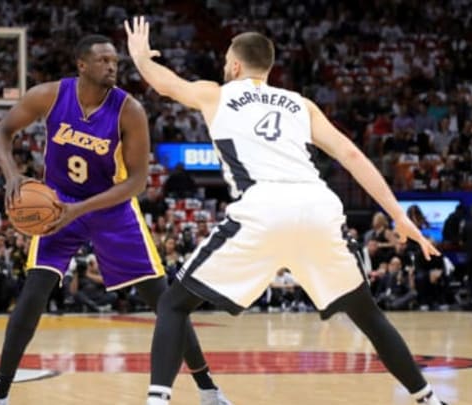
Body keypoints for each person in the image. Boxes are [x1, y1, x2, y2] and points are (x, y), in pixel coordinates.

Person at [125, 17, 446, 405]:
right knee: (368, 314)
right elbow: (350, 153)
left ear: (236, 66)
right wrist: (397, 214)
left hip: (263, 207)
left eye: (227, 61)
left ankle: (159, 400)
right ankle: (429, 399)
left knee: (173, 304)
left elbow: (164, 83)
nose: (225, 67)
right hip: (318, 206)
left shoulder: (216, 94)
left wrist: (141, 58)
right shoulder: (300, 104)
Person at [0, 34, 229, 405]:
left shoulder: (128, 110)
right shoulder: (49, 95)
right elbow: (2, 132)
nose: (112, 66)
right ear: (82, 65)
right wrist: (12, 175)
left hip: (112, 208)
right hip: (58, 203)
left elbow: (136, 182)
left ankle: (208, 389)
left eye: (115, 61)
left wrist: (80, 210)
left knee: (165, 302)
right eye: (103, 61)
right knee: (33, 296)